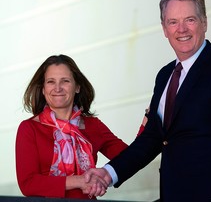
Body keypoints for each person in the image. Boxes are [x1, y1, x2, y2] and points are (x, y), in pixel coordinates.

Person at [85, 0, 211, 202]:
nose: (181, 29)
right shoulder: (165, 75)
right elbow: (152, 138)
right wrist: (108, 173)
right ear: (164, 29)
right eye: (173, 22)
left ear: (204, 23)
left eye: (190, 20)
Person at [15, 54, 128, 199]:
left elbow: (130, 158)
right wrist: (80, 181)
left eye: (65, 81)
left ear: (77, 87)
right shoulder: (29, 128)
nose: (57, 88)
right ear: (43, 89)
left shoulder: (93, 125)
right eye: (50, 82)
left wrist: (147, 128)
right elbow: (28, 184)